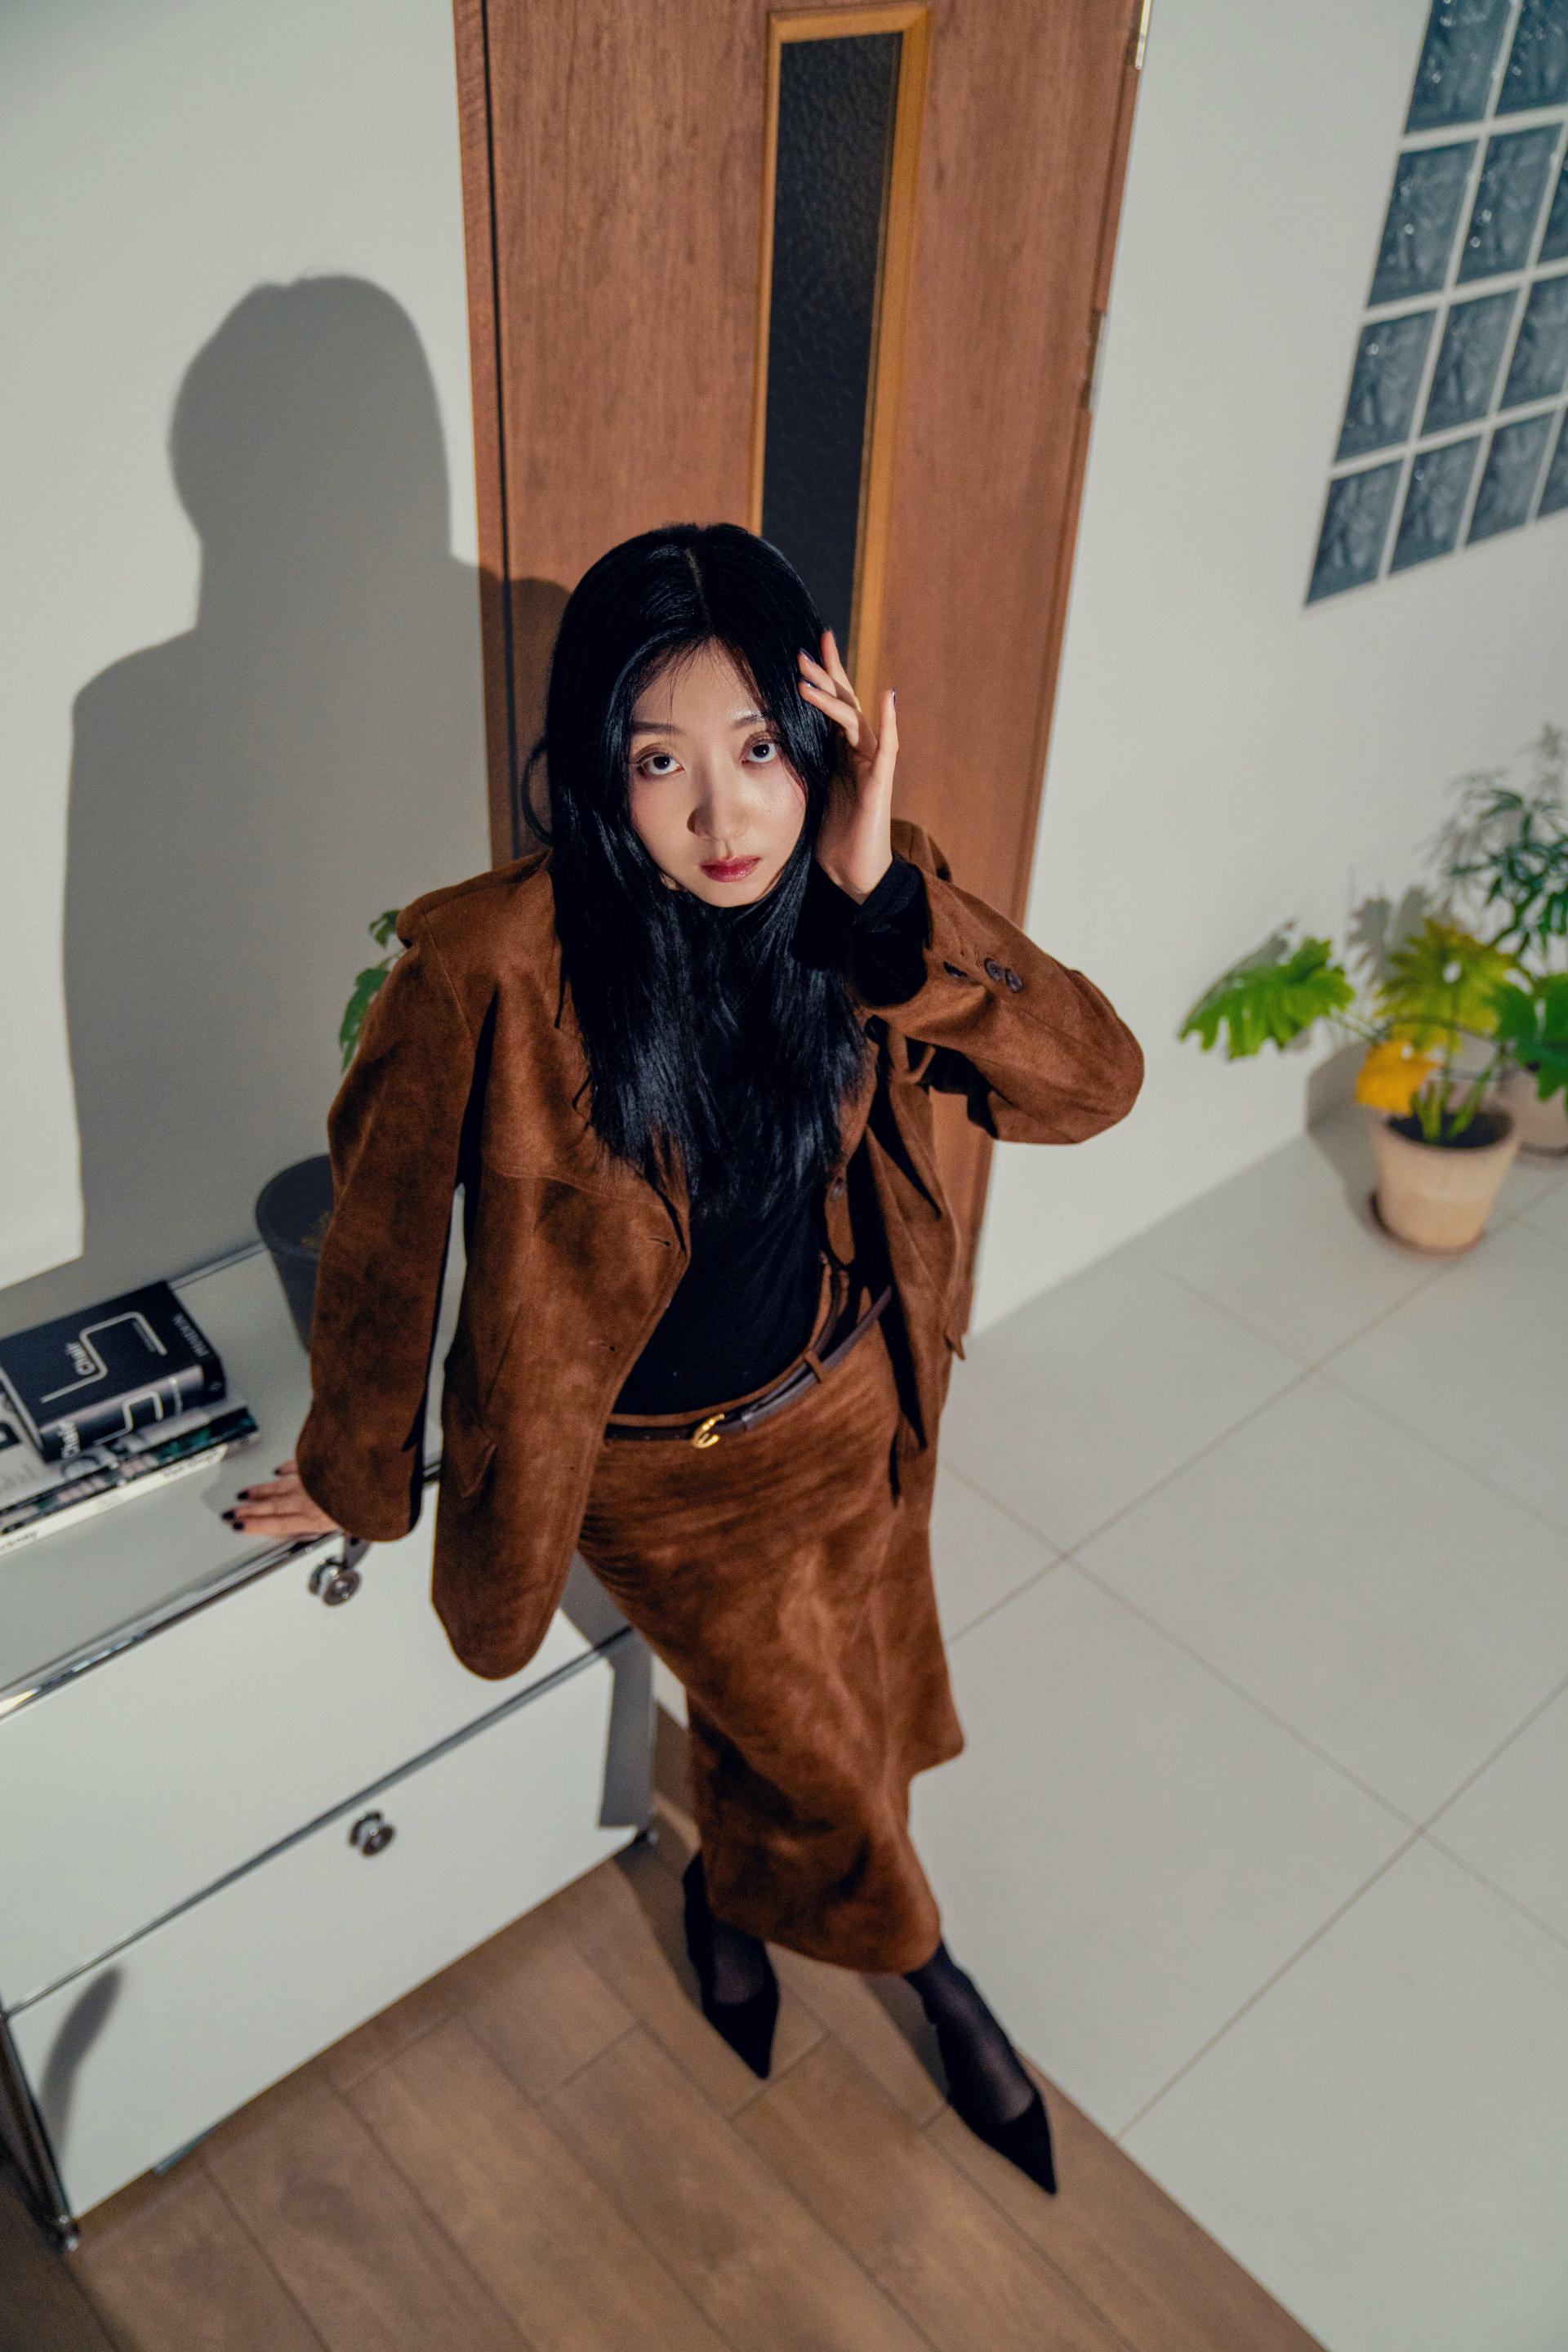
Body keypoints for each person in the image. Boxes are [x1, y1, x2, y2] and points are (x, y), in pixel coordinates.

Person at [229, 522, 1143, 2198]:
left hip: (858, 1403)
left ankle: (726, 1894)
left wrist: (887, 911)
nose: (727, 818)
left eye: (760, 750)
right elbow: (377, 1237)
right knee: (829, 1755)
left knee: (843, 1698)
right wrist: (355, 1471)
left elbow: (1092, 1086)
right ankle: (931, 1973)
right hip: (665, 1484)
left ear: (820, 744)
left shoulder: (870, 900)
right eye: (662, 762)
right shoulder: (490, 964)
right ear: (602, 765)